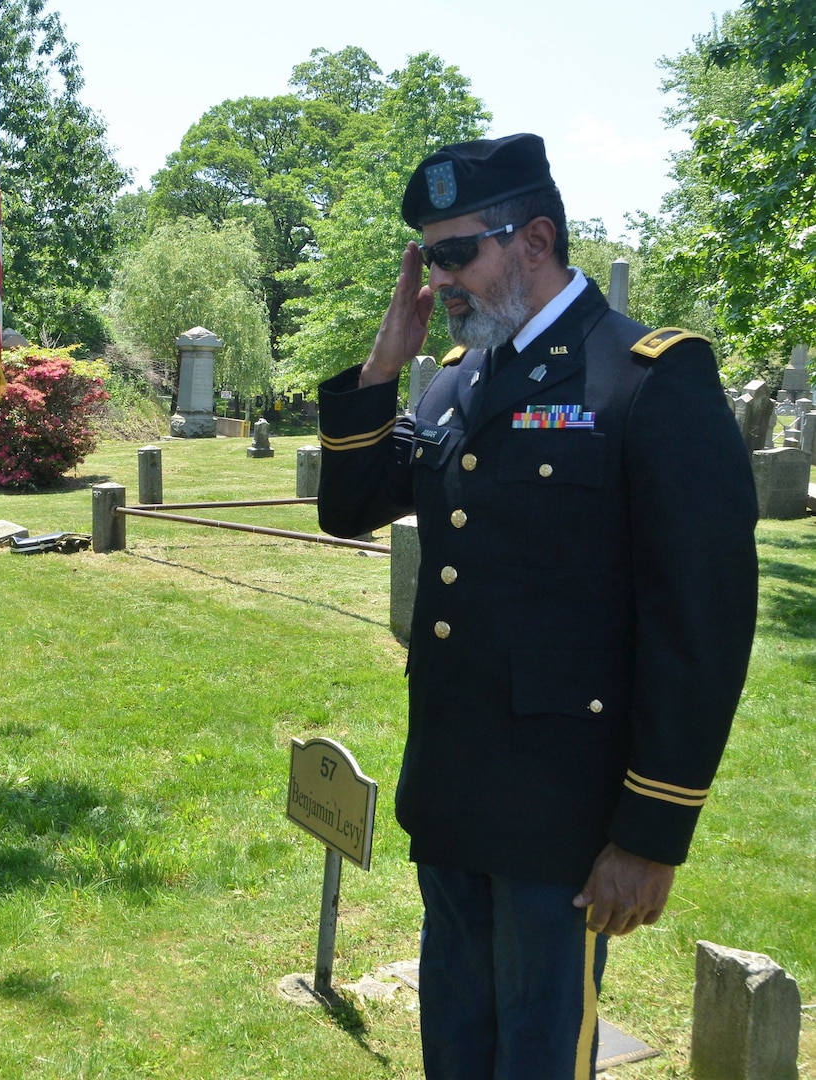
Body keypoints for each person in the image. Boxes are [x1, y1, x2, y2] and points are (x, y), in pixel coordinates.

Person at [316, 133, 758, 1079]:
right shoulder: (454, 382)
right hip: (453, 790)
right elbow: (347, 509)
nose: (437, 281)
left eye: (455, 253)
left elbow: (703, 622)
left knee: (537, 1054)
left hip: (565, 814)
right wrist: (380, 368)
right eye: (426, 258)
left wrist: (652, 831)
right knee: (458, 1045)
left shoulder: (643, 376)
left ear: (536, 239)